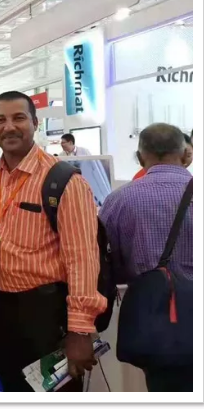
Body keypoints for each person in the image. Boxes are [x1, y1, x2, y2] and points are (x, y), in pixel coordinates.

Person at [0, 91, 105, 392]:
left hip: (46, 314)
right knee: (14, 389)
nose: (9, 127)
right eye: (0, 120)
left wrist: (79, 331)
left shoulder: (64, 181)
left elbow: (82, 260)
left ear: (35, 123)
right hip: (1, 308)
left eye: (19, 118)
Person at [100, 123, 192, 392]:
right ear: (186, 153)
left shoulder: (119, 200)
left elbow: (108, 265)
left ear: (140, 158)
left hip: (156, 323)